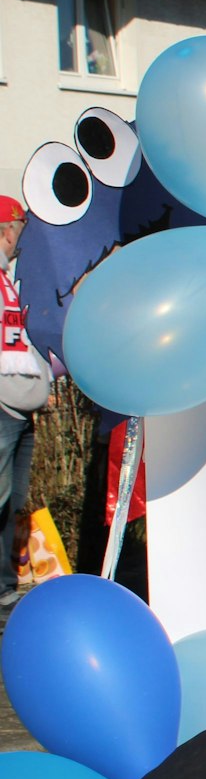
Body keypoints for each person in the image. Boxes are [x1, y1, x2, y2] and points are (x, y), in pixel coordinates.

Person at [0, 195, 35, 609]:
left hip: (21, 407)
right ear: (9, 231)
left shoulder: (10, 278)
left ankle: (4, 585)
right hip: (4, 407)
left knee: (13, 501)